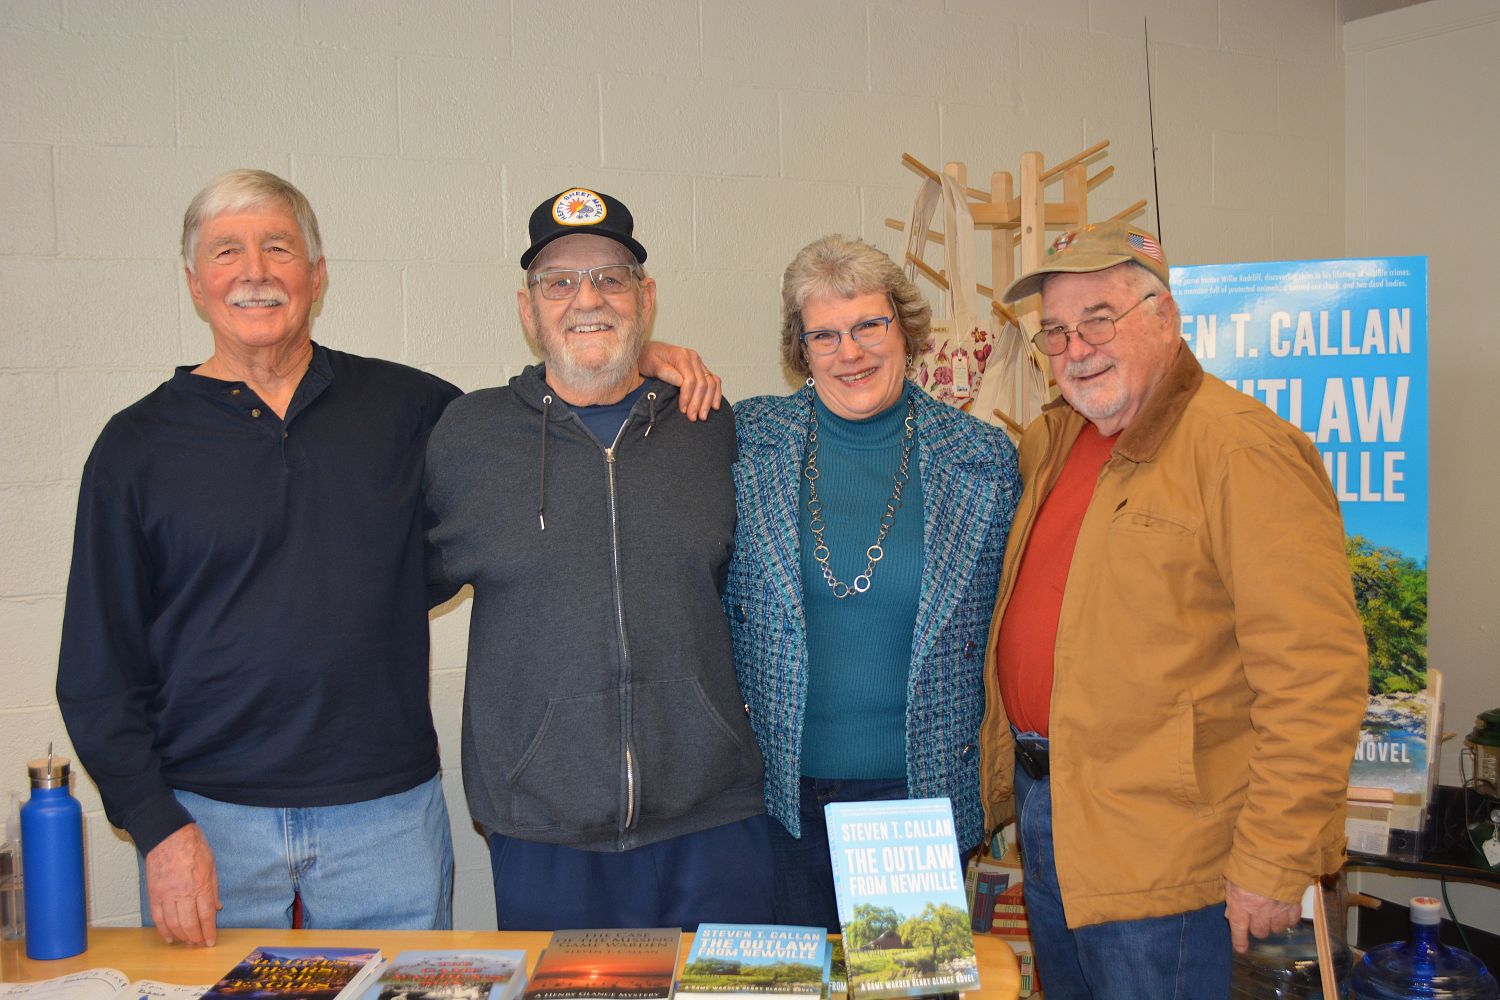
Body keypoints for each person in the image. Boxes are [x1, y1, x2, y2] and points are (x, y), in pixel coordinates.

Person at [55, 170, 718, 947]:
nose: (257, 271)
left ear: (317, 274)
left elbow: (550, 411)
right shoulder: (136, 447)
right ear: (196, 283)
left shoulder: (413, 410)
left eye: (279, 247)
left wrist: (638, 356)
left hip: (386, 820)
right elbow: (96, 670)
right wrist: (156, 823)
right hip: (207, 820)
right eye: (228, 252)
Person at [976, 221, 1369, 998]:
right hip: (1051, 815)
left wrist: (1273, 859)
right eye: (1055, 331)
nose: (1076, 347)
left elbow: (1314, 677)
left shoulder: (1240, 453)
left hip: (1166, 850)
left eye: (1100, 318)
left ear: (1166, 317)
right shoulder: (1055, 440)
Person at [423, 186, 773, 931]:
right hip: (548, 830)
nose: (588, 298)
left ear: (645, 299)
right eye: (560, 282)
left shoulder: (710, 428)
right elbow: (392, 589)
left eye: (610, 278)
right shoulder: (468, 436)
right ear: (529, 310)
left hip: (712, 821)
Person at [725, 234, 1020, 932]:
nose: (849, 352)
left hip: (915, 805)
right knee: (797, 988)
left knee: (907, 985)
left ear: (904, 328)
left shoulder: (981, 460)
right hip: (777, 800)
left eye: (868, 325)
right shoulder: (744, 443)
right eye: (823, 335)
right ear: (800, 349)